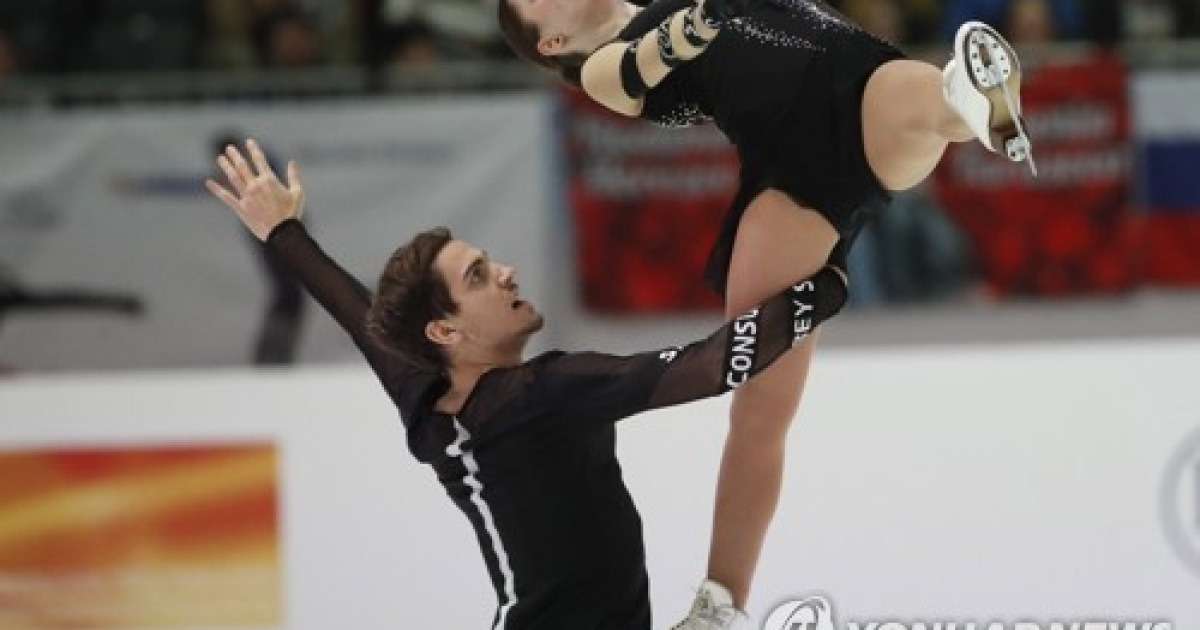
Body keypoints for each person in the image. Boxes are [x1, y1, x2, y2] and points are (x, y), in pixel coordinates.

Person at [496, 0, 1035, 626]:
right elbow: (627, 74)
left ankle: (970, 101)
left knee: (916, 97)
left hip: (861, 90)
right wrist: (684, 32)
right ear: (553, 40)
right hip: (789, 179)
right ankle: (720, 604)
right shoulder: (600, 69)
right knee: (758, 410)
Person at [205, 139, 850, 629]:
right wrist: (830, 280)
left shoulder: (427, 397)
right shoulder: (546, 394)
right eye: (479, 276)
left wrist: (283, 231)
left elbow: (352, 309)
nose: (507, 272)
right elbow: (716, 365)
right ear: (445, 332)